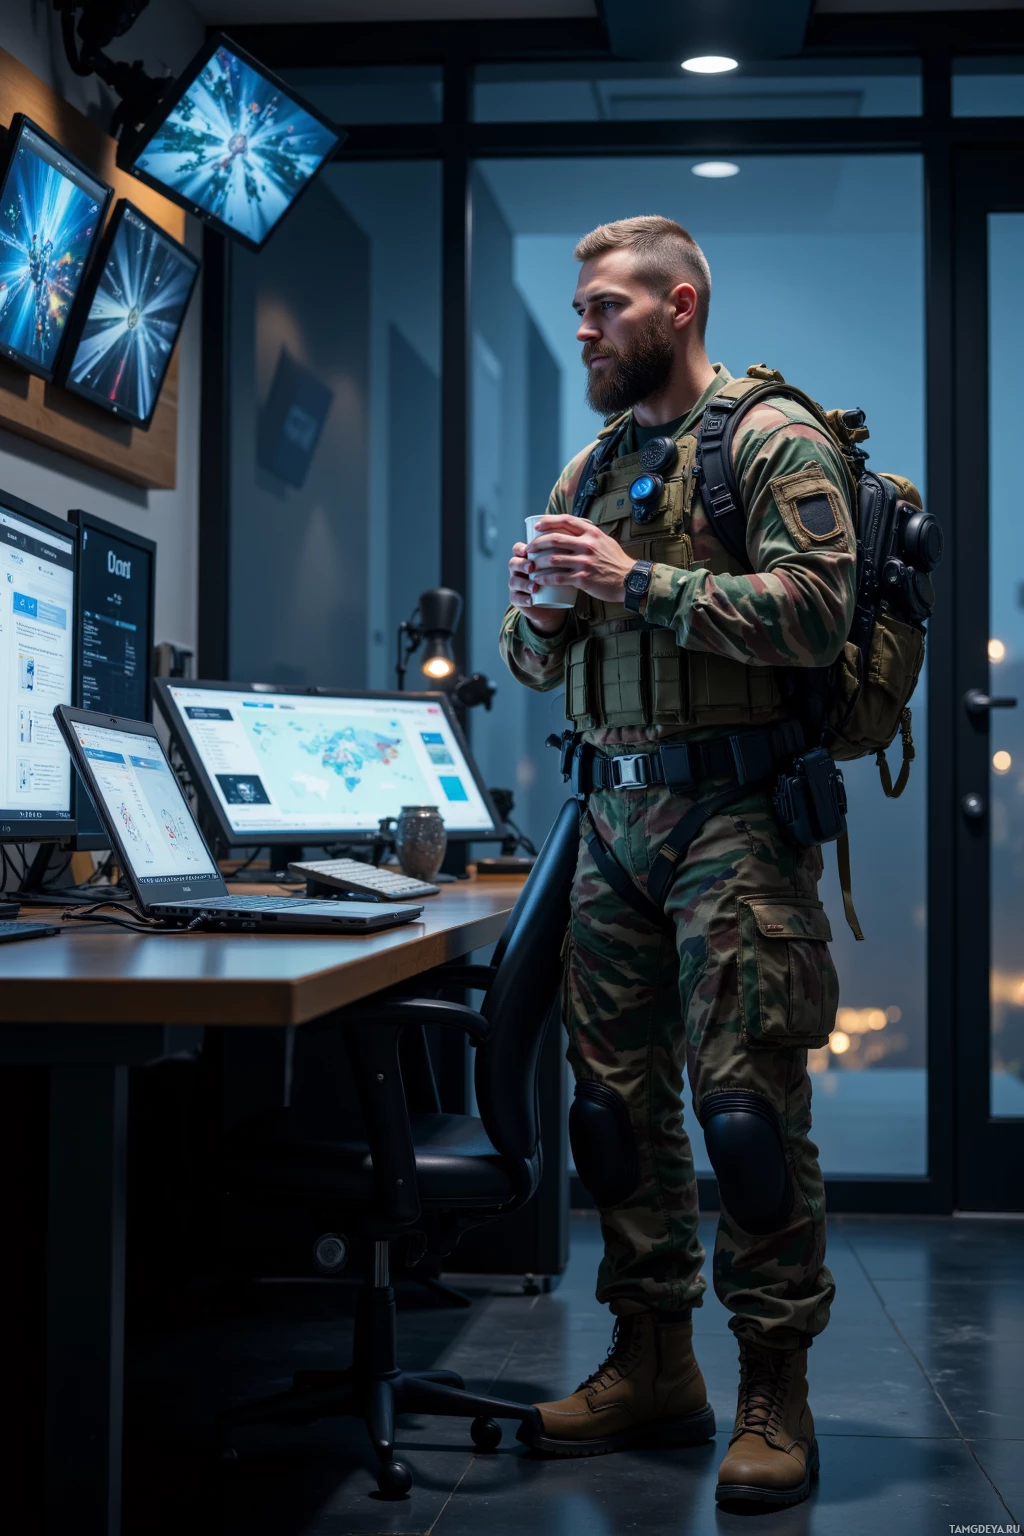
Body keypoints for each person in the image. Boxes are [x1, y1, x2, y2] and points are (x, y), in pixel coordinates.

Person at [499, 216, 855, 1510]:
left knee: (747, 1112)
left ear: (681, 305)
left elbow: (816, 613)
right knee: (611, 1114)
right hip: (612, 823)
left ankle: (776, 1390)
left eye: (604, 306)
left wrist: (634, 583)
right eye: (580, 309)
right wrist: (542, 613)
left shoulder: (771, 443)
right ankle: (653, 1362)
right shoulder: (589, 467)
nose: (584, 328)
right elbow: (535, 654)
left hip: (735, 822)